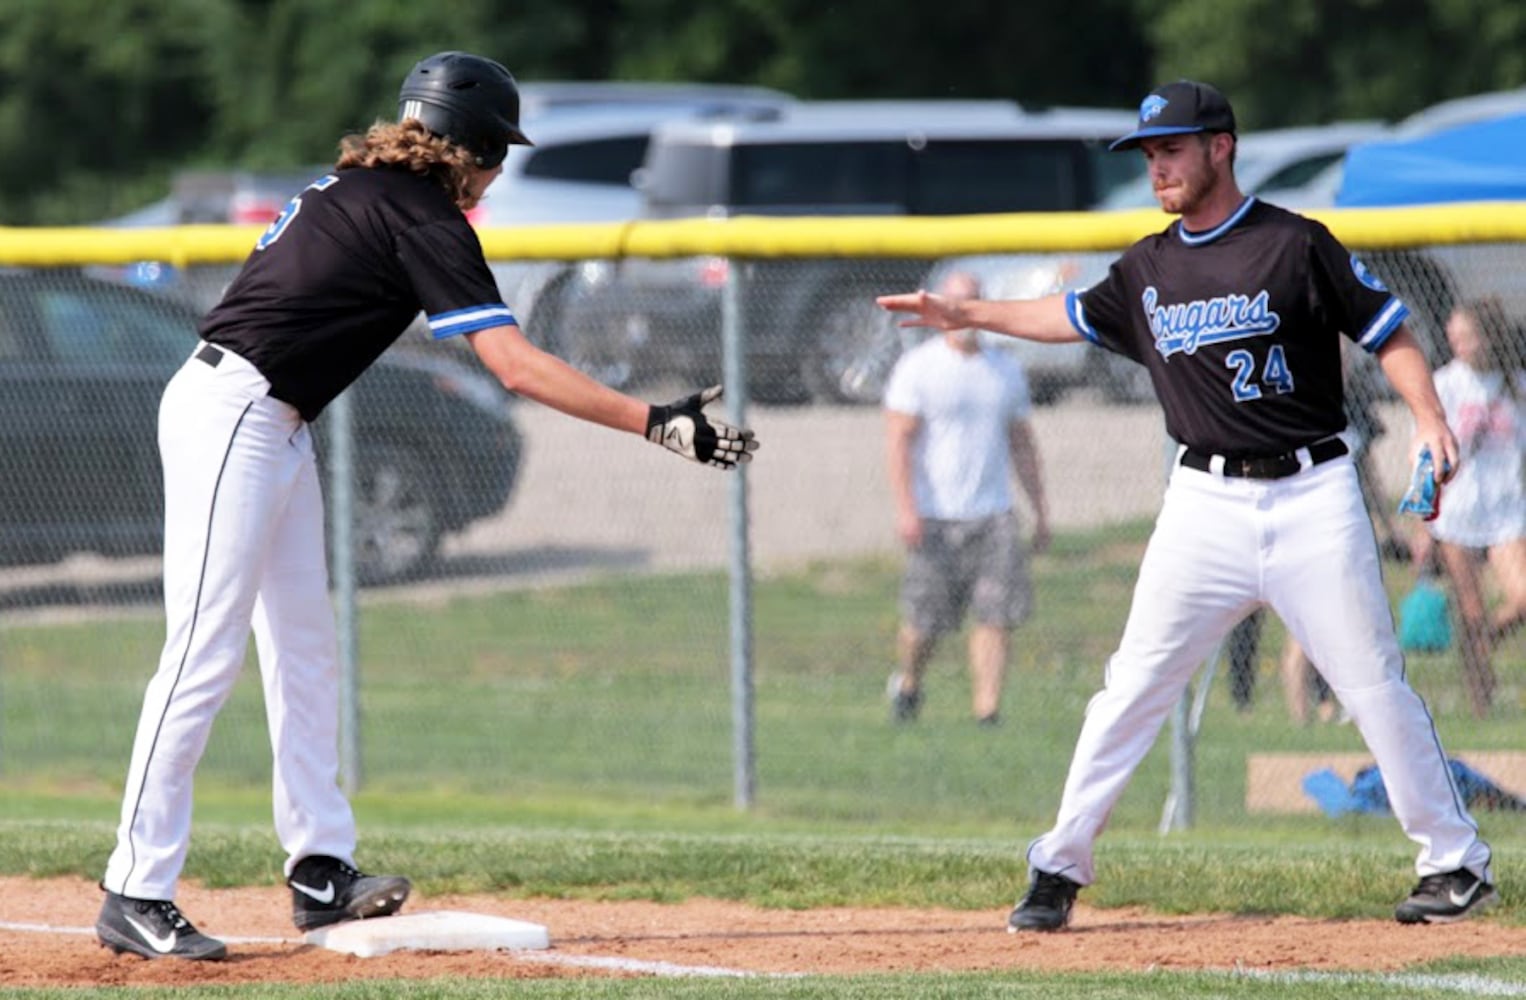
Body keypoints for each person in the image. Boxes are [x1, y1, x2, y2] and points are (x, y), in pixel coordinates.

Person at [95, 51, 758, 962]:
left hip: (267, 418)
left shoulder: (362, 184)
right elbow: (515, 366)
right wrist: (656, 421)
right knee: (202, 653)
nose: (496, 174)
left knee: (305, 648)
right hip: (234, 414)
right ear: (475, 146)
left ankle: (320, 869)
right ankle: (135, 886)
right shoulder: (421, 216)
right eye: (497, 154)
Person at [877, 80, 1495, 930]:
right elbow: (1064, 316)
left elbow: (1388, 328)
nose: (1158, 167)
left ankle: (1454, 863)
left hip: (1315, 493)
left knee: (1372, 686)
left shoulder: (1296, 244)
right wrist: (966, 310)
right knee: (1131, 687)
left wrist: (1429, 419)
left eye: (1171, 148)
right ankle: (1059, 866)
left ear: (1221, 146)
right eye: (1149, 154)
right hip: (1202, 504)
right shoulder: (1148, 267)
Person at [883, 271, 1051, 726]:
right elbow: (898, 443)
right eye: (955, 302)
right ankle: (909, 684)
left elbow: (1022, 443)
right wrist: (906, 509)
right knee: (924, 624)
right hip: (935, 516)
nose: (963, 312)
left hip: (993, 514)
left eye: (972, 301)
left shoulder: (1005, 368)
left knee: (995, 617)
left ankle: (987, 712)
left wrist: (1040, 510)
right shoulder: (918, 369)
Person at [1417, 297, 1526, 717]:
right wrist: (1422, 523)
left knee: (1520, 598)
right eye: (1454, 336)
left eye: (1467, 337)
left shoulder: (1514, 384)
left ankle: (1487, 639)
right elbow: (1424, 453)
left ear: (1489, 338)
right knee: (1471, 609)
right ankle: (1481, 706)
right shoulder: (1444, 384)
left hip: (1506, 512)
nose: (1458, 344)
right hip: (1456, 512)